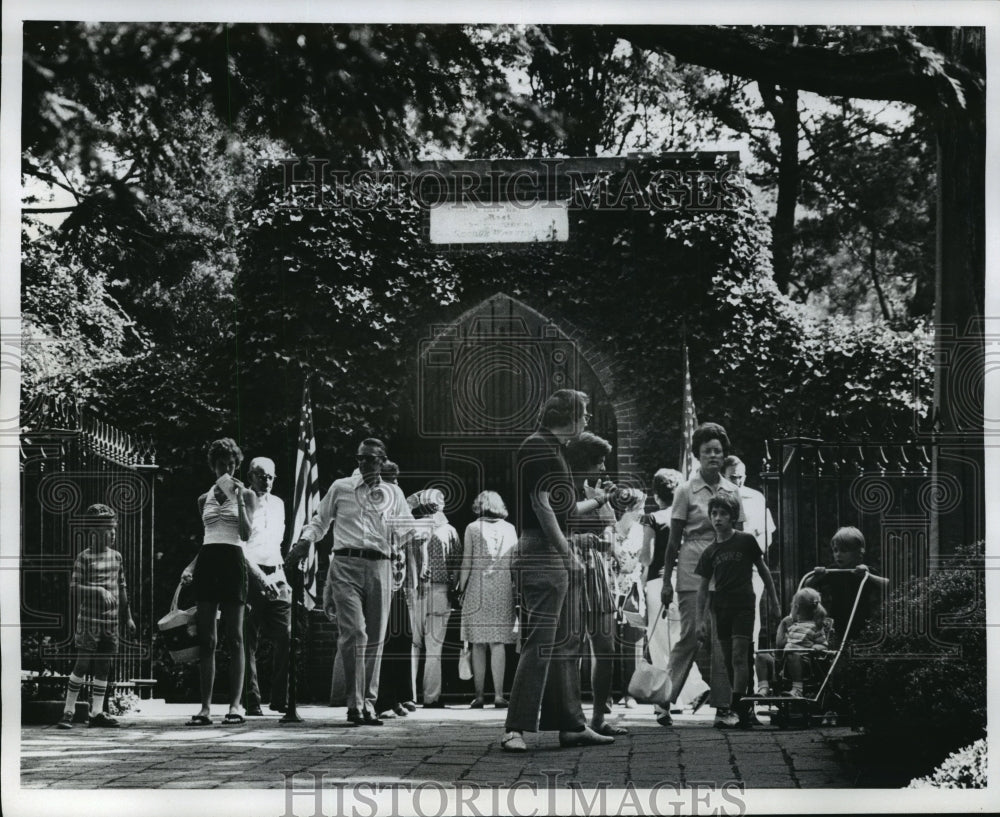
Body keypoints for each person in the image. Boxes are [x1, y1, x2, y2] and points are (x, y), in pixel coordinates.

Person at [500, 389, 614, 752]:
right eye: (585, 413)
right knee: (540, 643)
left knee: (565, 643)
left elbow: (562, 510)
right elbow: (541, 504)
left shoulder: (554, 449)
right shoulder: (538, 447)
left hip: (552, 551)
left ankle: (571, 725)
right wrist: (567, 555)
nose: (588, 420)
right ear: (570, 415)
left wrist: (596, 501)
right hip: (542, 552)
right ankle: (514, 729)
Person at [286, 437, 419, 726]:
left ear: (381, 461)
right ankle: (354, 703)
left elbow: (407, 532)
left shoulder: (393, 493)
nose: (363, 463)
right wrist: (305, 542)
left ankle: (368, 704)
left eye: (370, 459)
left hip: (380, 566)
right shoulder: (341, 487)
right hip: (344, 564)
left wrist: (406, 553)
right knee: (354, 632)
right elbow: (320, 521)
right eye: (360, 458)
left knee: (375, 637)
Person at [182, 437, 275, 726]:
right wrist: (191, 566)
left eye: (233, 464)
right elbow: (208, 537)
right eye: (223, 464)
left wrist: (238, 498)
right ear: (214, 465)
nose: (228, 469)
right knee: (207, 639)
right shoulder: (203, 498)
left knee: (235, 638)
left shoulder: (246, 495)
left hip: (234, 560)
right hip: (210, 561)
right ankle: (205, 707)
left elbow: (245, 536)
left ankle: (236, 705)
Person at [661, 422, 745, 728]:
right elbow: (673, 540)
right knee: (690, 636)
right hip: (692, 567)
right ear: (697, 454)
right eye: (707, 450)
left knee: (722, 639)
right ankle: (663, 700)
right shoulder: (685, 490)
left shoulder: (732, 490)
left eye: (718, 451)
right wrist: (667, 581)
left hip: (725, 569)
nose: (713, 455)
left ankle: (723, 707)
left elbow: (742, 537)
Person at [694, 493, 779, 728]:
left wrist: (774, 601)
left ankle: (738, 708)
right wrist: (701, 619)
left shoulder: (746, 541)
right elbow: (702, 588)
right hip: (721, 608)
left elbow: (763, 571)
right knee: (732, 659)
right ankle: (745, 708)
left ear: (733, 517)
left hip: (744, 605)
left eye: (723, 514)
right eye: (714, 514)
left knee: (741, 655)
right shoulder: (710, 551)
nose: (718, 518)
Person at [565, 433, 627, 737]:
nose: (603, 467)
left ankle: (600, 715)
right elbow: (555, 529)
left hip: (598, 570)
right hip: (570, 568)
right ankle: (573, 718)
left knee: (605, 646)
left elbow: (611, 530)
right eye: (599, 461)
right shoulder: (563, 491)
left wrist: (613, 546)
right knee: (572, 647)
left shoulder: (595, 490)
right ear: (583, 462)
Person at [57, 504, 137, 729]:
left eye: (113, 529)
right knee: (82, 664)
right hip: (89, 622)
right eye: (109, 530)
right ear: (94, 532)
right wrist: (97, 590)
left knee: (103, 666)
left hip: (110, 624)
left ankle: (97, 712)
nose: (113, 534)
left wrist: (127, 617)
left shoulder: (117, 557)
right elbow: (74, 588)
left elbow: (122, 588)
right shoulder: (84, 558)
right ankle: (68, 711)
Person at [722, 455, 775, 714]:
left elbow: (767, 532)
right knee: (727, 641)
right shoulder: (720, 499)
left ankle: (749, 697)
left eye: (742, 475)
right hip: (726, 573)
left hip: (751, 569)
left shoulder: (756, 497)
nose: (739, 480)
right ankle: (730, 699)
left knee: (750, 634)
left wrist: (755, 547)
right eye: (733, 476)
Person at [457, 490, 518, 709]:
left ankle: (479, 695)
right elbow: (514, 562)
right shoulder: (510, 528)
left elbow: (467, 561)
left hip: (477, 588)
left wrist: (460, 589)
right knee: (498, 642)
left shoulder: (472, 528)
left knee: (478, 643)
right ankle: (500, 695)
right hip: (502, 590)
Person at [242, 456, 291, 717]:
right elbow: (242, 544)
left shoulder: (279, 504)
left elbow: (277, 542)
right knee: (248, 638)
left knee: (285, 636)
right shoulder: (243, 501)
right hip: (250, 573)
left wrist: (281, 574)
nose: (267, 480)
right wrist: (259, 576)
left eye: (271, 476)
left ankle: (280, 698)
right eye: (261, 475)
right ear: (250, 476)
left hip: (276, 573)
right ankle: (252, 700)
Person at [406, 488, 462, 709]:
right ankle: (431, 696)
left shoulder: (412, 528)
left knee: (413, 645)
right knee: (434, 648)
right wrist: (454, 588)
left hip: (414, 590)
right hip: (440, 591)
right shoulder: (448, 530)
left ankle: (409, 696)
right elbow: (456, 564)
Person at [370, 461, 417, 718]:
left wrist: (411, 577)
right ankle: (382, 699)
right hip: (379, 575)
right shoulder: (373, 502)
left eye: (396, 479)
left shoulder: (396, 502)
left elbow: (407, 538)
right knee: (385, 637)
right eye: (389, 478)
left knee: (403, 635)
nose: (394, 484)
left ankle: (399, 694)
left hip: (396, 577)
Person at [638, 467, 684, 727]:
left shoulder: (652, 518)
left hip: (658, 582)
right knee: (679, 640)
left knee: (658, 643)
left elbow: (647, 556)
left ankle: (663, 705)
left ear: (656, 495)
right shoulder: (685, 517)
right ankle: (680, 696)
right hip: (685, 581)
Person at [803, 526, 889, 644]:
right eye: (835, 550)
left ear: (859, 552)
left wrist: (868, 576)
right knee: (837, 648)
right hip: (837, 622)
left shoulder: (865, 572)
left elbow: (886, 584)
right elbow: (807, 586)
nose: (838, 554)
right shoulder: (833, 571)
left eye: (844, 551)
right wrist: (816, 576)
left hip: (861, 622)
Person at [755, 587, 836, 698]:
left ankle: (797, 689)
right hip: (784, 662)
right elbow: (780, 645)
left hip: (803, 665)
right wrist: (783, 626)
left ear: (796, 608)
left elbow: (824, 645)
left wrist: (818, 647)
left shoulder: (815, 627)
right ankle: (764, 688)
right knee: (761, 655)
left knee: (792, 654)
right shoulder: (793, 625)